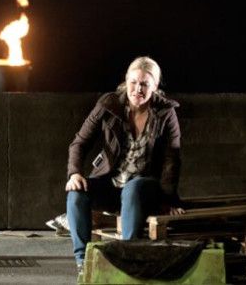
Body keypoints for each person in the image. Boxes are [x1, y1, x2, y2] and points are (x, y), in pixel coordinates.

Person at [65, 56, 185, 271]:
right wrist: (74, 173)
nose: (138, 89)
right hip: (112, 184)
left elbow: (171, 159)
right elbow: (79, 143)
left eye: (145, 84)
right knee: (76, 193)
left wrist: (170, 199)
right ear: (126, 81)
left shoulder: (166, 113)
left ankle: (128, 257)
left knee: (134, 186)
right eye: (134, 82)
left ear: (155, 87)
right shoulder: (108, 105)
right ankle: (83, 261)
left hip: (144, 188)